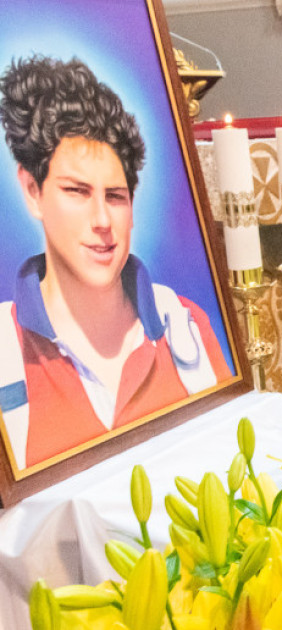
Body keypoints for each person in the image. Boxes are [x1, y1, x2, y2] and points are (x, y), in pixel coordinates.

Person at [0, 56, 231, 471]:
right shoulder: (6, 355)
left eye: (115, 196)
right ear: (33, 190)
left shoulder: (185, 327)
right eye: (77, 191)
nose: (103, 221)